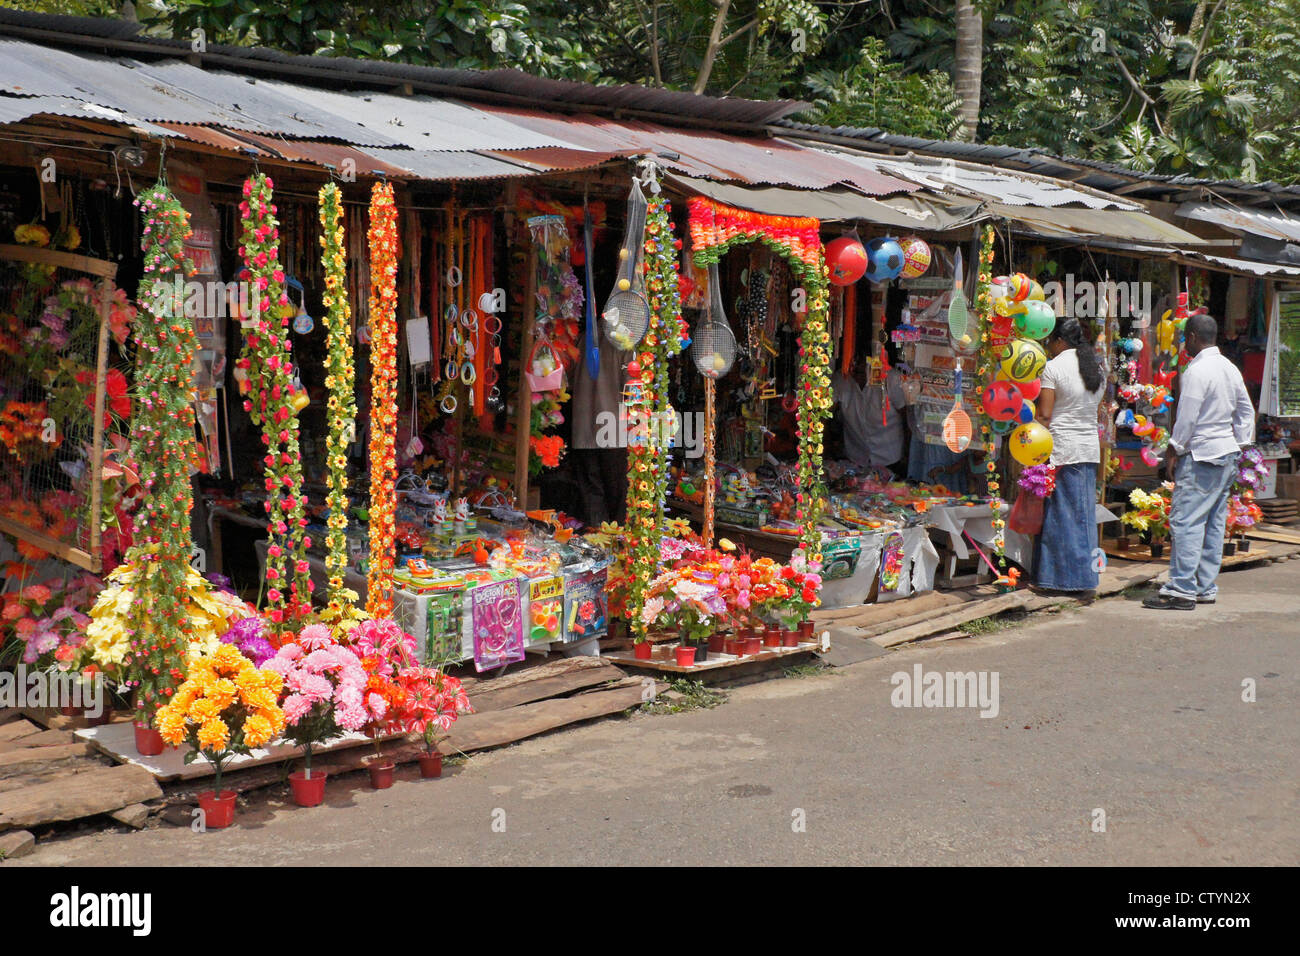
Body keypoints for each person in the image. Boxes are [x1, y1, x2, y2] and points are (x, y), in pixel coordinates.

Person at [1143, 313, 1255, 610]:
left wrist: (1174, 449)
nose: (1183, 344)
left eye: (1184, 338)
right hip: (1226, 453)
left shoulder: (1196, 370)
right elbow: (1246, 410)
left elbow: (1187, 416)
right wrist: (1240, 442)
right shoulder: (1229, 368)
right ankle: (1204, 586)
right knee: (1213, 523)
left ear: (1192, 337)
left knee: (1187, 521)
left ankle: (1181, 589)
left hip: (1202, 454)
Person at [1033, 317, 1105, 593]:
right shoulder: (1093, 367)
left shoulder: (1053, 368)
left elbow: (1045, 415)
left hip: (1062, 448)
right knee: (1082, 514)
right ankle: (1077, 577)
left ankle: (1068, 580)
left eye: (1050, 341)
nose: (1049, 346)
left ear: (1059, 341)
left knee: (1062, 515)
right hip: (1087, 447)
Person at [832, 352, 909, 478]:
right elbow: (825, 414)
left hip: (890, 457)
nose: (856, 370)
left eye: (861, 366)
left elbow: (907, 417)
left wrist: (907, 453)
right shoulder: (841, 379)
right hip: (856, 458)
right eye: (853, 366)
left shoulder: (891, 379)